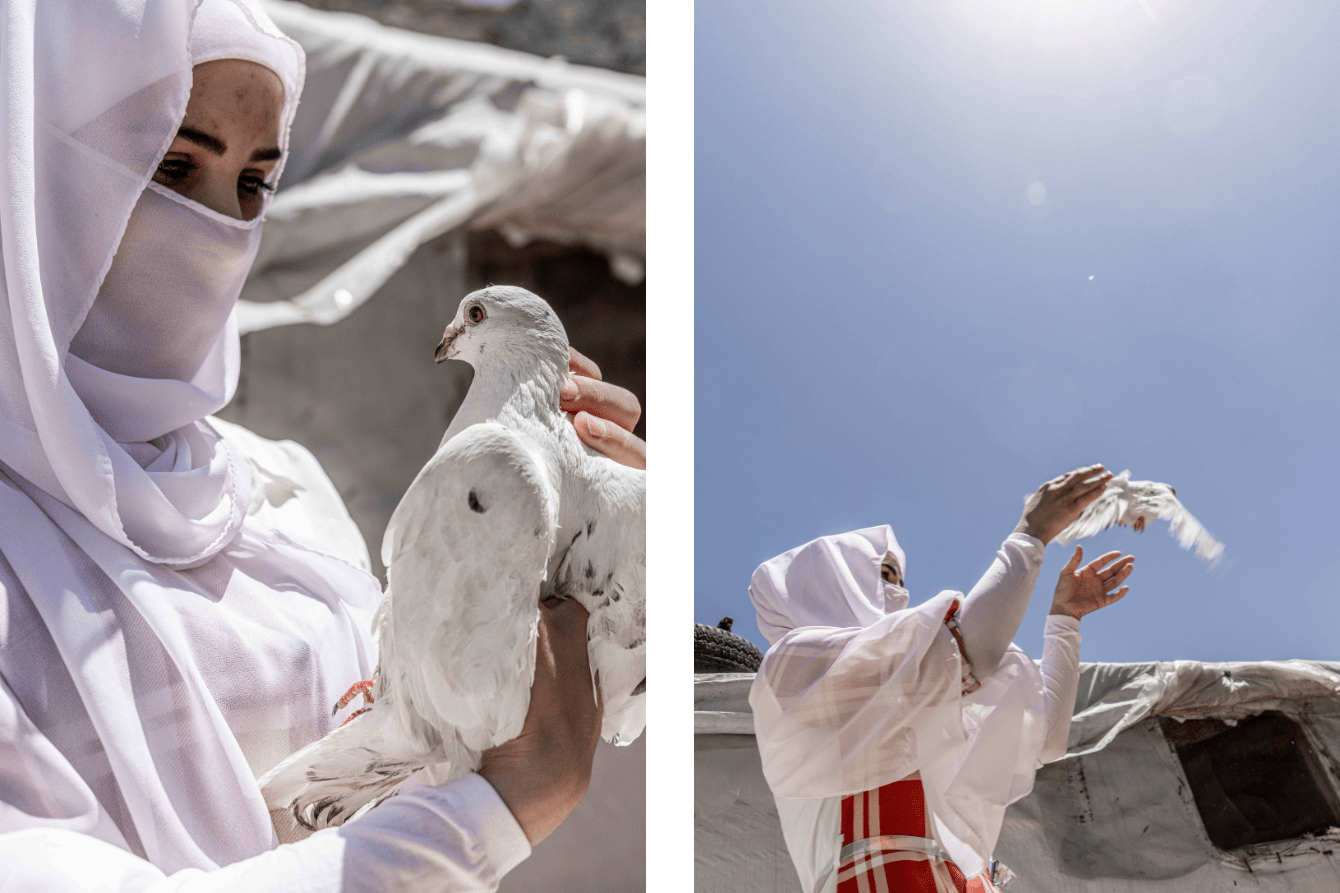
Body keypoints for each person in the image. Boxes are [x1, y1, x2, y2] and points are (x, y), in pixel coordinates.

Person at [0, 1, 643, 890]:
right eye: (173, 165)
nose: (220, 227)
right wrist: (484, 821)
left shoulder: (279, 489)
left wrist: (589, 566)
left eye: (254, 184)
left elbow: (428, 736)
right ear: (28, 170)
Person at [748, 465, 1135, 893]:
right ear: (830, 580)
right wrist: (1031, 533)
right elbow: (967, 654)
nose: (901, 594)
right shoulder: (795, 664)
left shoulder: (914, 675)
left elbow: (1044, 738)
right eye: (885, 575)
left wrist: (1065, 622)